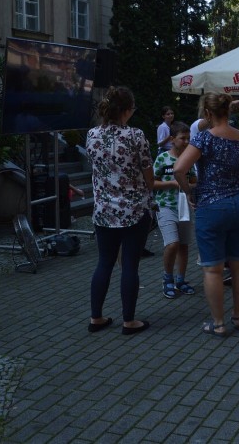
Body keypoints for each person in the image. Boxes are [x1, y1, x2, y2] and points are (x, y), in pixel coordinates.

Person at [174, 93, 239, 337]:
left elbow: (179, 169)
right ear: (228, 110)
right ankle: (238, 316)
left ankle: (218, 323)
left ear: (206, 113)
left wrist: (189, 192)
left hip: (211, 206)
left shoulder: (203, 140)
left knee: (212, 269)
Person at [86, 86, 154, 335]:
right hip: (134, 210)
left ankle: (96, 318)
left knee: (104, 263)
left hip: (103, 210)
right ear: (127, 110)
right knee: (130, 265)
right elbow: (148, 174)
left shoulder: (92, 134)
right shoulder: (135, 135)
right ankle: (129, 321)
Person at [152, 121, 196, 299]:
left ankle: (181, 280)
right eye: (182, 138)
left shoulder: (189, 158)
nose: (186, 142)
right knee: (172, 244)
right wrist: (171, 183)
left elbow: (193, 180)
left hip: (184, 206)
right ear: (172, 139)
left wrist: (191, 186)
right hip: (166, 206)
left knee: (184, 245)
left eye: (188, 138)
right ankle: (167, 278)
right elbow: (152, 183)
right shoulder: (163, 158)